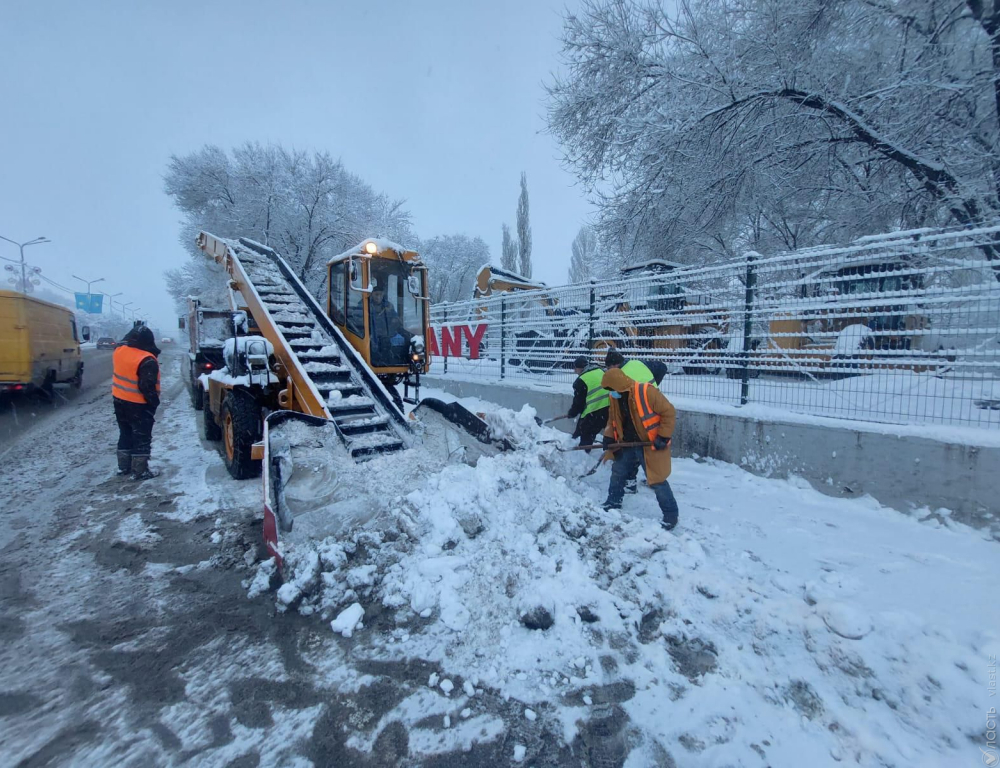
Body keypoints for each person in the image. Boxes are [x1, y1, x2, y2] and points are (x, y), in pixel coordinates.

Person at [600, 366, 679, 531]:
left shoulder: (645, 392)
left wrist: (663, 436)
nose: (611, 392)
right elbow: (612, 419)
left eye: (612, 389)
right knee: (618, 472)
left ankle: (671, 515)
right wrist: (608, 436)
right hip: (626, 442)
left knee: (657, 480)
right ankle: (613, 501)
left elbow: (668, 412)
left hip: (649, 443)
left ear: (619, 385)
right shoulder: (615, 396)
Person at [112, 325, 161, 480]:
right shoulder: (147, 359)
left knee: (125, 433)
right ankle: (140, 471)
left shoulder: (119, 352)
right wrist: (154, 402)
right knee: (141, 436)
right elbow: (146, 386)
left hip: (119, 400)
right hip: (139, 404)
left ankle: (123, 467)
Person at [567, 355, 608, 452]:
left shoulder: (580, 381)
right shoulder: (600, 371)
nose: (574, 371)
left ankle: (583, 453)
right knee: (611, 432)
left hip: (595, 410)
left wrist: (572, 413)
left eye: (575, 368)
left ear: (579, 368)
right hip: (611, 408)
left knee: (586, 432)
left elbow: (578, 403)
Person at [369, 276, 406, 366]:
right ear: (371, 295)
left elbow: (395, 318)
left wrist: (395, 320)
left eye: (380, 295)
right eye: (376, 294)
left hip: (386, 334)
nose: (378, 297)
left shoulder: (389, 306)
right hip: (370, 335)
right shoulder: (365, 305)